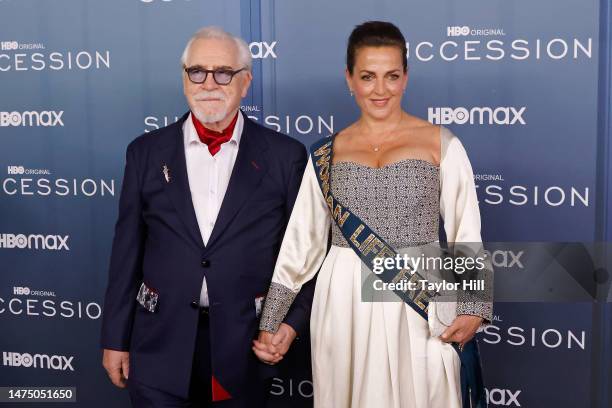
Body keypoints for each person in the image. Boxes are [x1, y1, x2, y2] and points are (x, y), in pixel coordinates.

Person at [253, 21, 493, 408]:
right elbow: (302, 244)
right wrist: (271, 320)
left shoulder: (441, 143)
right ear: (349, 78)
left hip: (420, 295)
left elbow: (467, 231)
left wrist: (474, 307)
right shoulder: (325, 154)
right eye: (368, 76)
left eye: (391, 76)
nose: (380, 90)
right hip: (344, 297)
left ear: (405, 78)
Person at [100, 26, 315, 408]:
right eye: (197, 71)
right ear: (184, 79)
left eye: (224, 73)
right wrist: (115, 338)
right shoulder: (145, 153)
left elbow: (305, 253)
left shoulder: (286, 157)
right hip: (158, 348)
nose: (209, 83)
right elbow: (126, 254)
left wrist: (290, 322)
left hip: (244, 348)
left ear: (245, 82)